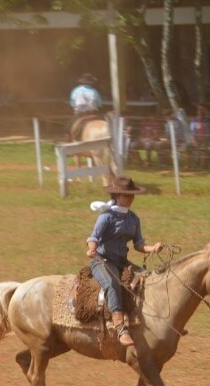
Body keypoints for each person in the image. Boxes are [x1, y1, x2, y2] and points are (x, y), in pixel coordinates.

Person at [86, 177, 163, 347]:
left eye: (132, 195)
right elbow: (93, 237)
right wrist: (92, 249)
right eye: (127, 195)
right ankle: (120, 329)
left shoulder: (133, 219)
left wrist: (153, 248)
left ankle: (158, 320)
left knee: (149, 277)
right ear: (117, 195)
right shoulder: (106, 217)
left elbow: (138, 244)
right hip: (102, 261)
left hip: (122, 262)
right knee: (112, 284)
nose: (131, 198)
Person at [69, 73, 103, 140]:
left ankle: (68, 142)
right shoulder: (95, 91)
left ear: (82, 81)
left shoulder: (76, 90)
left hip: (80, 114)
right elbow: (100, 104)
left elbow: (72, 104)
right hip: (93, 114)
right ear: (91, 82)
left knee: (67, 128)